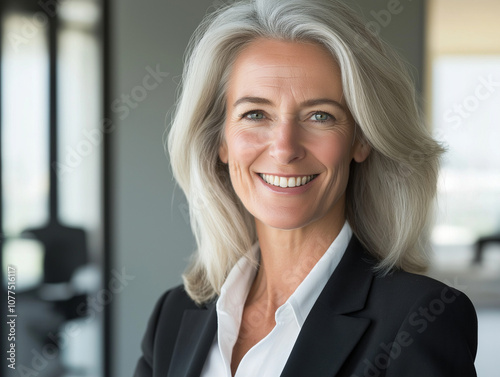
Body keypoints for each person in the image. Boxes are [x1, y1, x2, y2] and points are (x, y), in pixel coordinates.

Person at [134, 0, 478, 376]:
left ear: (361, 140)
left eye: (320, 115)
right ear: (220, 140)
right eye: (255, 114)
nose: (284, 148)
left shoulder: (420, 321)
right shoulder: (173, 315)